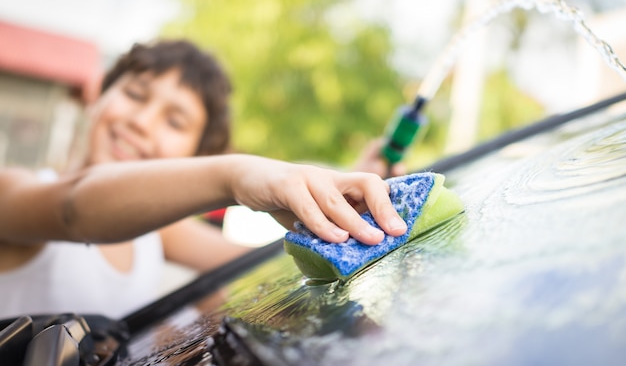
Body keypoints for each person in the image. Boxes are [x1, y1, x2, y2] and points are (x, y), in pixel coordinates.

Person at [0, 39, 407, 319]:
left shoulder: (157, 234)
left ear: (194, 156)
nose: (140, 122)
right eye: (135, 95)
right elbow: (72, 208)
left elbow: (271, 269)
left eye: (174, 121)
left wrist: (340, 211)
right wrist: (235, 175)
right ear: (97, 96)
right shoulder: (14, 192)